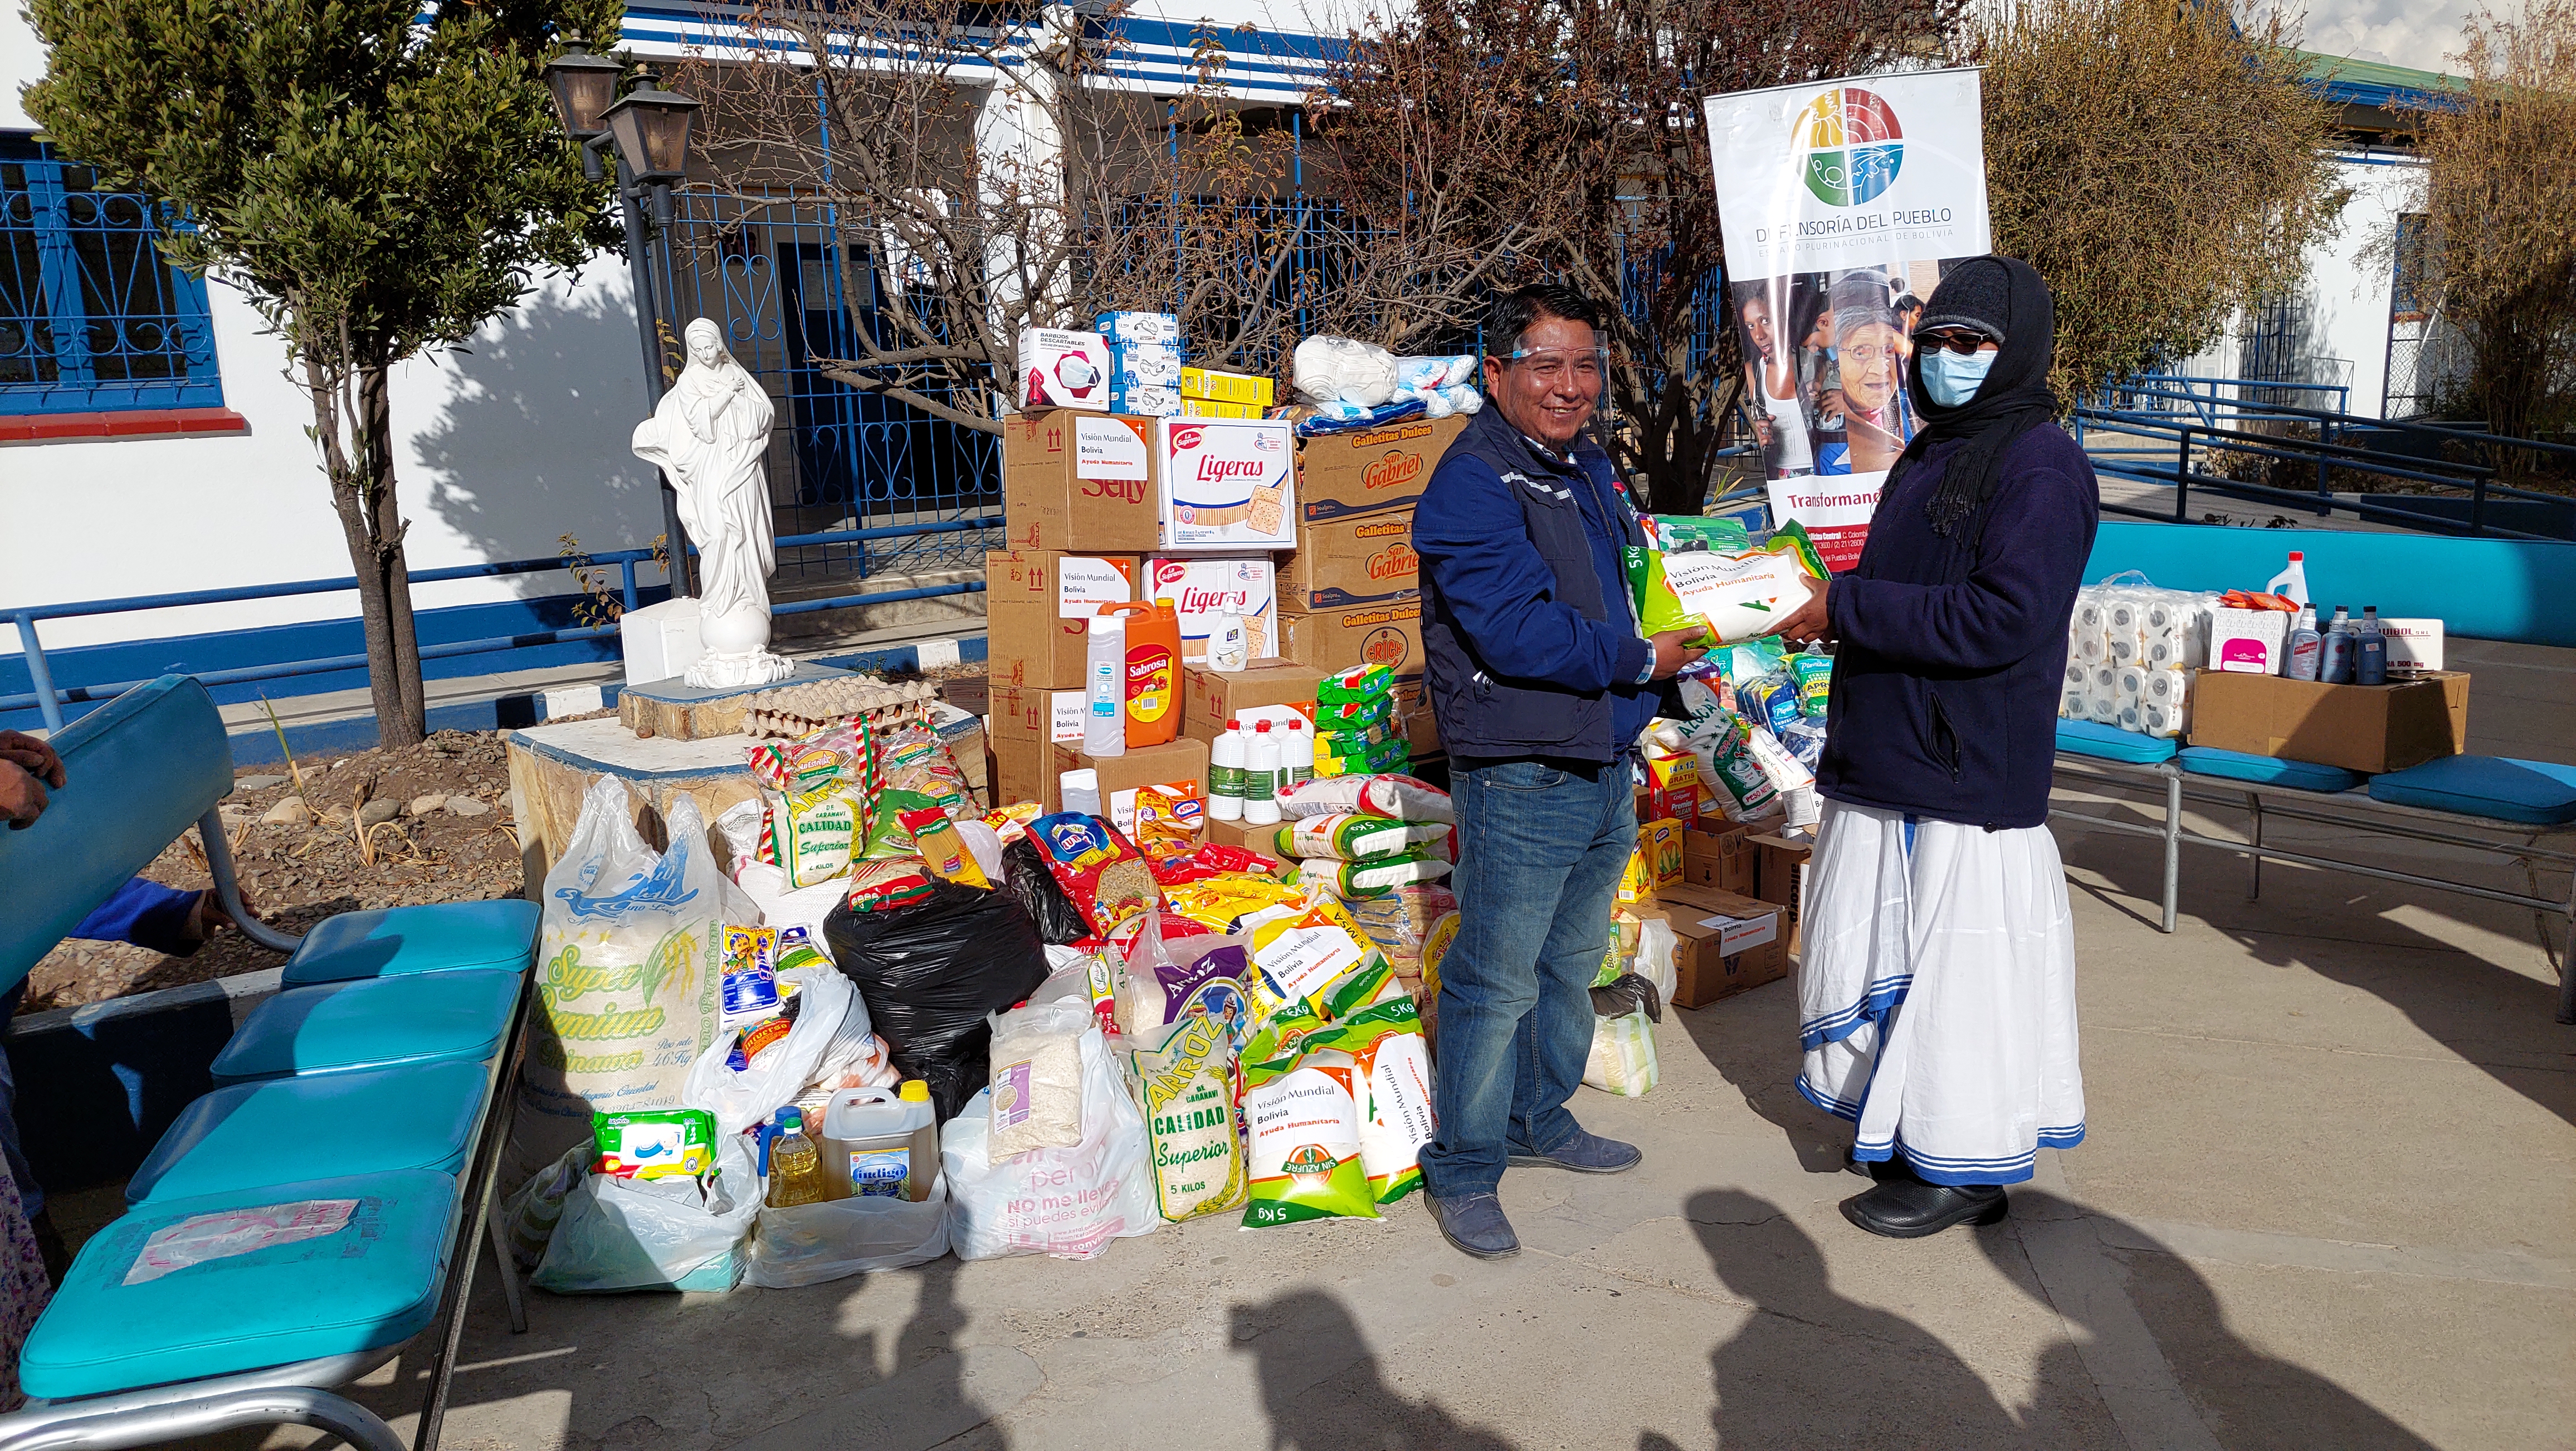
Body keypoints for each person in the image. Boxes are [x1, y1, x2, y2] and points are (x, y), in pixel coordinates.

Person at [1769, 255, 2099, 1239]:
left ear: (2018, 351)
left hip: (1963, 770)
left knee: (1959, 977)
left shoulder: (2039, 464)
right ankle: (1903, 1126)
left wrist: (1844, 605)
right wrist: (1823, 608)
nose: (1948, 361)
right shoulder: (1935, 450)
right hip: (1898, 753)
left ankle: (1960, 1160)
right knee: (1886, 951)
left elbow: (2003, 615)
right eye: (1939, 341)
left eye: (1973, 344)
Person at [1410, 283, 1706, 1260]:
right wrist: (1638, 660)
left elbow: (1623, 581)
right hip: (1521, 764)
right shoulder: (1469, 484)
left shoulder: (1583, 465)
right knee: (1492, 978)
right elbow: (1515, 630)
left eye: (1584, 365)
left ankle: (1540, 1115)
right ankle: (1462, 1163)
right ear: (1494, 372)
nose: (1568, 386)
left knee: (1569, 960)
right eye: (1544, 363)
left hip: (1598, 753)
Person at [630, 317, 792, 688]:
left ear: (720, 344)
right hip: (711, 473)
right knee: (718, 536)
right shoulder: (690, 382)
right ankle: (719, 602)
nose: (705, 354)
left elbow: (762, 418)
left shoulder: (739, 376)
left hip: (743, 470)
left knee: (747, 539)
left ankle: (747, 601)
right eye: (698, 349)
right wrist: (725, 395)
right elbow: (700, 425)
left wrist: (739, 398)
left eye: (710, 346)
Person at [1816, 273, 1915, 475]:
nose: (1881, 368)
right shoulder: (1829, 346)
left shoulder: (1901, 409)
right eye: (1861, 352)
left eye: (1887, 351)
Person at [1735, 283, 1815, 477]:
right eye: (1751, 326)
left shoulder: (1815, 362)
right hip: (1784, 481)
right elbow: (1760, 428)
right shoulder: (1754, 371)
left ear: (1783, 318)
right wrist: (1762, 434)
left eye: (1766, 321)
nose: (1759, 335)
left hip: (1829, 472)